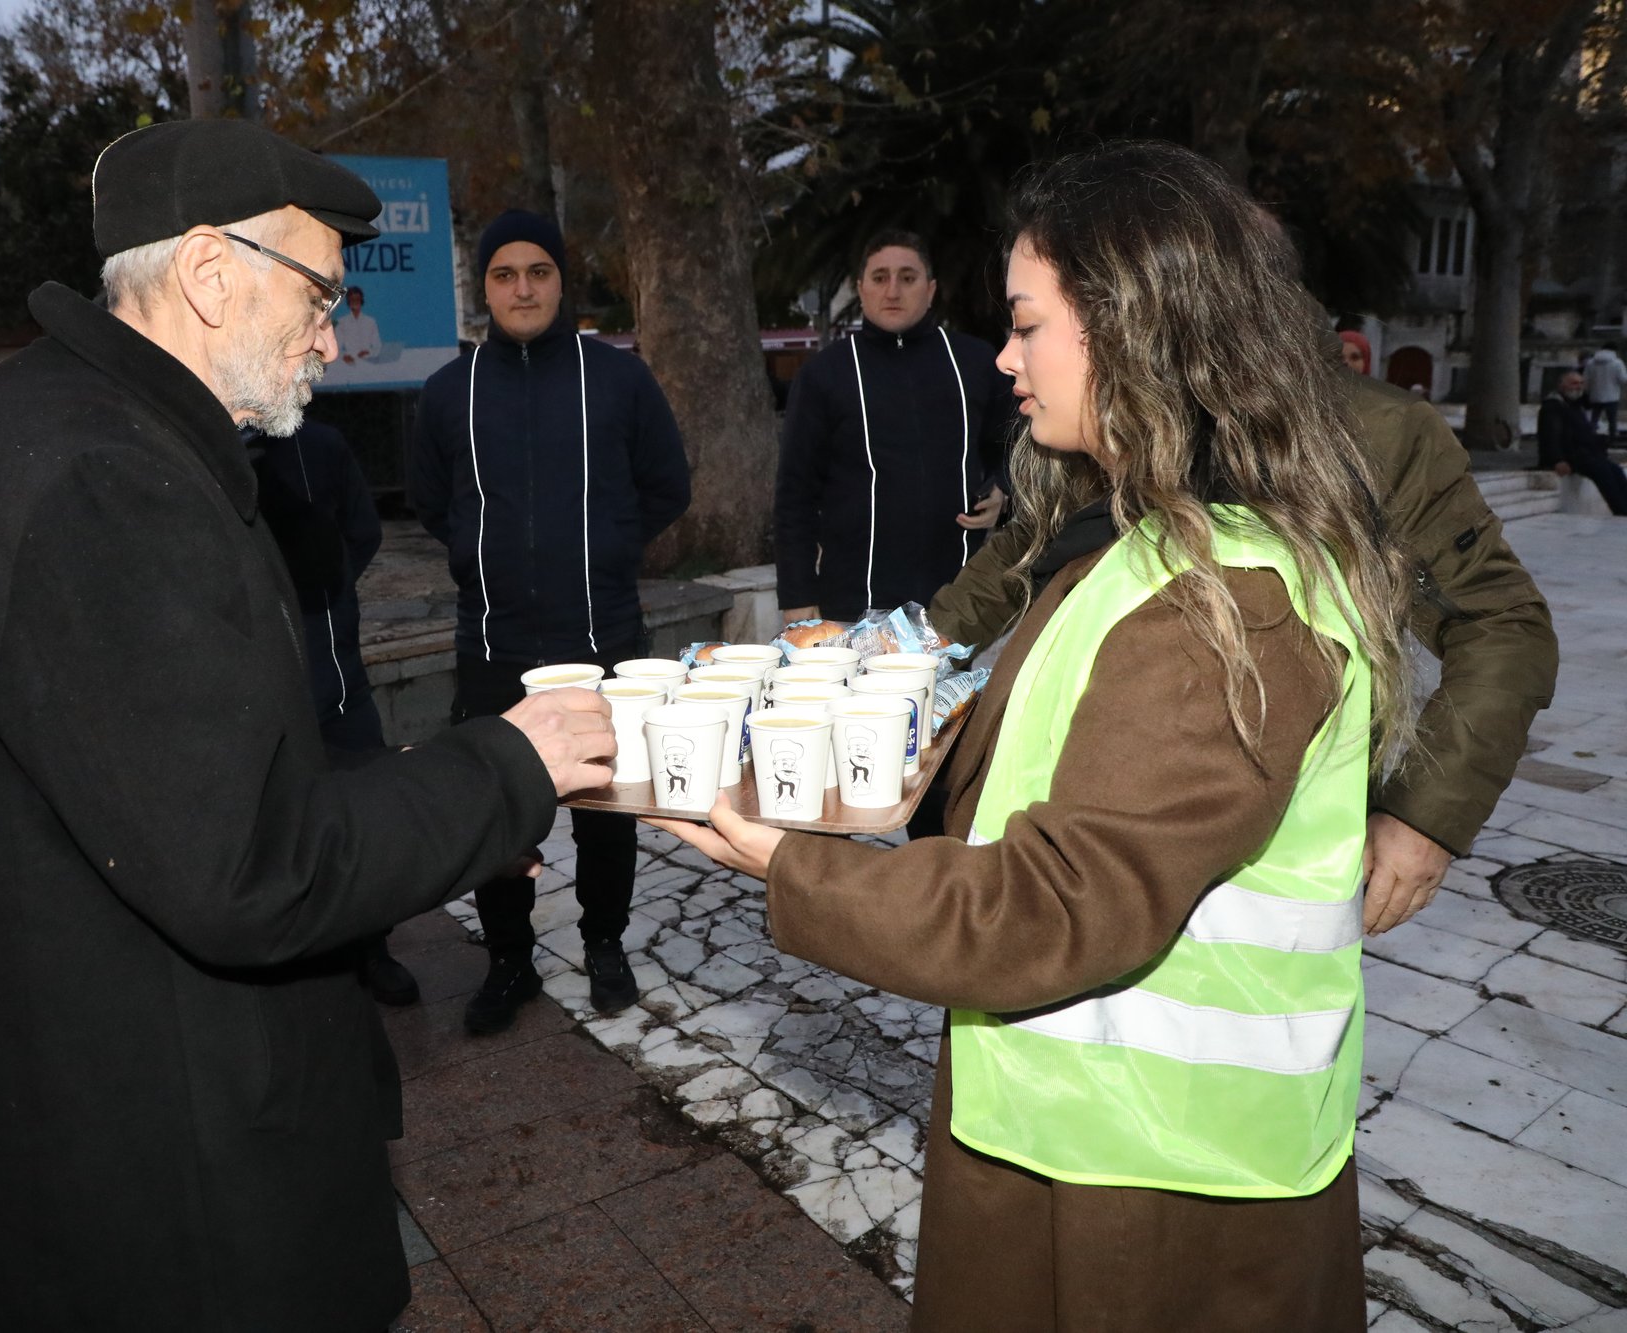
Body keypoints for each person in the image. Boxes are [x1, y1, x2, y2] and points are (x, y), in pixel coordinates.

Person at [657, 140, 1423, 1331]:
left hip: (1154, 1184)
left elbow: (1061, 901)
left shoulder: (1225, 600)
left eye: (1025, 325)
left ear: (1132, 329)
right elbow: (1066, 759)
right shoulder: (1135, 542)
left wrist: (789, 864)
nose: (1003, 358)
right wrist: (917, 778)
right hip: (1077, 1122)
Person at [0, 119, 615, 1330]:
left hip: (135, 1130)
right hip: (160, 1205)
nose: (333, 328)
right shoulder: (99, 485)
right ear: (210, 274)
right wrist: (506, 765)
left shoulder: (96, 431)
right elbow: (249, 862)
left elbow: (212, 766)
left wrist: (440, 809)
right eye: (319, 289)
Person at [933, 321, 1557, 945]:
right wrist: (916, 654)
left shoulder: (1372, 429)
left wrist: (1426, 816)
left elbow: (1502, 621)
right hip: (1082, 794)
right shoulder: (1106, 400)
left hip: (1274, 829)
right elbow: (1024, 549)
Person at [409, 208, 691, 1033]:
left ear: (562, 281)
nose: (522, 287)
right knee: (502, 808)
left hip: (600, 636)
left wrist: (605, 545)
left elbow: (667, 485)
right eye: (504, 274)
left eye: (538, 271)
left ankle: (605, 943)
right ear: (484, 288)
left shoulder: (618, 379)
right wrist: (478, 547)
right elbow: (433, 503)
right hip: (495, 642)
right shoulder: (446, 392)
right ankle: (509, 961)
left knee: (603, 809)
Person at [248, 416, 422, 1004]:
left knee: (361, 817)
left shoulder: (320, 444)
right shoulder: (198, 448)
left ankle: (374, 950)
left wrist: (328, 588)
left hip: (339, 679)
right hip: (260, 698)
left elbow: (362, 533)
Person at [774, 229, 1016, 625]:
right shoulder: (825, 374)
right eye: (880, 277)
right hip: (851, 604)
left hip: (959, 602)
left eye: (907, 277)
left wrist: (1004, 490)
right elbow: (794, 495)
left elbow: (1017, 446)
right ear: (860, 289)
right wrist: (797, 598)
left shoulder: (974, 363)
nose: (893, 291)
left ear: (931, 288)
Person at [1539, 369, 1627, 515]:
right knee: (1603, 473)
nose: (1578, 387)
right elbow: (1550, 436)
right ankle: (1622, 511)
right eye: (1573, 383)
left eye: (1581, 383)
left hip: (1585, 454)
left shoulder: (1574, 405)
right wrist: (1557, 460)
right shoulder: (1553, 406)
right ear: (1562, 385)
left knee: (1616, 471)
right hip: (1571, 456)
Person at [1582, 341, 1624, 438]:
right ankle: (1612, 439)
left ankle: (1589, 438)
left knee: (1594, 418)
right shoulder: (1617, 363)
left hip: (1595, 395)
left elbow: (1585, 379)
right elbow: (1623, 379)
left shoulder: (1590, 363)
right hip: (1612, 396)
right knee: (1612, 420)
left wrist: (1588, 392)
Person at [335, 285, 382, 361]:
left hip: (368, 362)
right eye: (352, 300)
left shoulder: (370, 322)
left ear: (361, 300)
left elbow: (377, 346)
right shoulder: (341, 323)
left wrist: (368, 352)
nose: (355, 302)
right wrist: (344, 356)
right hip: (348, 363)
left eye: (357, 299)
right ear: (348, 302)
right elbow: (337, 347)